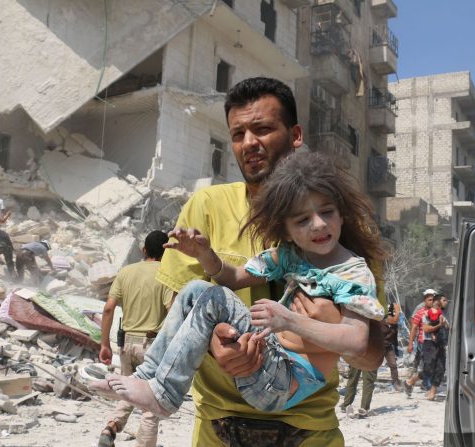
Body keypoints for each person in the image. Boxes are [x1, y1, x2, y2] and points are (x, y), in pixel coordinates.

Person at [151, 77, 385, 447]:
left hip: (311, 434)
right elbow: (176, 309)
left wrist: (325, 328)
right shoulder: (205, 208)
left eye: (262, 129)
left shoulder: (340, 230)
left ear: (295, 134)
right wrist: (216, 342)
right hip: (217, 432)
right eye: (238, 133)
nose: (249, 144)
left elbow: (371, 355)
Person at [96, 151, 385, 423]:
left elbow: (357, 340)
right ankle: (146, 378)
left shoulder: (353, 273)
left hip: (286, 382)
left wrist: (289, 320)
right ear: (286, 230)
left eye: (327, 212)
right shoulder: (290, 256)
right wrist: (204, 254)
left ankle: (165, 396)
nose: (319, 225)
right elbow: (232, 277)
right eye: (303, 220)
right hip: (263, 361)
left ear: (342, 215)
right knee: (197, 289)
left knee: (215, 298)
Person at [97, 230, 174, 447]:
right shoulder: (167, 274)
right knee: (151, 404)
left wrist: (104, 344)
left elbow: (108, 308)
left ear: (144, 250)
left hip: (127, 343)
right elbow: (172, 311)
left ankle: (110, 427)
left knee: (127, 391)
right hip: (153, 345)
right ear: (167, 252)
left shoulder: (126, 272)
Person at [404, 289, 436, 396]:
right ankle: (428, 387)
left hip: (434, 343)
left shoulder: (436, 312)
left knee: (432, 366)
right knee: (427, 365)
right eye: (429, 300)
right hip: (423, 342)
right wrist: (410, 343)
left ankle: (411, 382)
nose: (431, 302)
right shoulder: (420, 312)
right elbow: (413, 328)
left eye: (433, 299)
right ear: (425, 300)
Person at [421, 292, 449, 401]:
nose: (446, 302)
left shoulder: (444, 314)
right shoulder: (427, 313)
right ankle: (411, 381)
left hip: (441, 344)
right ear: (437, 301)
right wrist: (439, 325)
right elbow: (426, 329)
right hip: (429, 343)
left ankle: (432, 392)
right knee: (429, 368)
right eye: (444, 300)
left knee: (440, 368)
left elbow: (448, 326)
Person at [383, 300, 403, 390]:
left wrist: (396, 349)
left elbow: (394, 337)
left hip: (388, 346)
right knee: (373, 364)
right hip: (378, 345)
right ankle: (368, 381)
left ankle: (395, 382)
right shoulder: (382, 319)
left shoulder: (394, 325)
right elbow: (394, 320)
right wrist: (398, 311)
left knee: (393, 365)